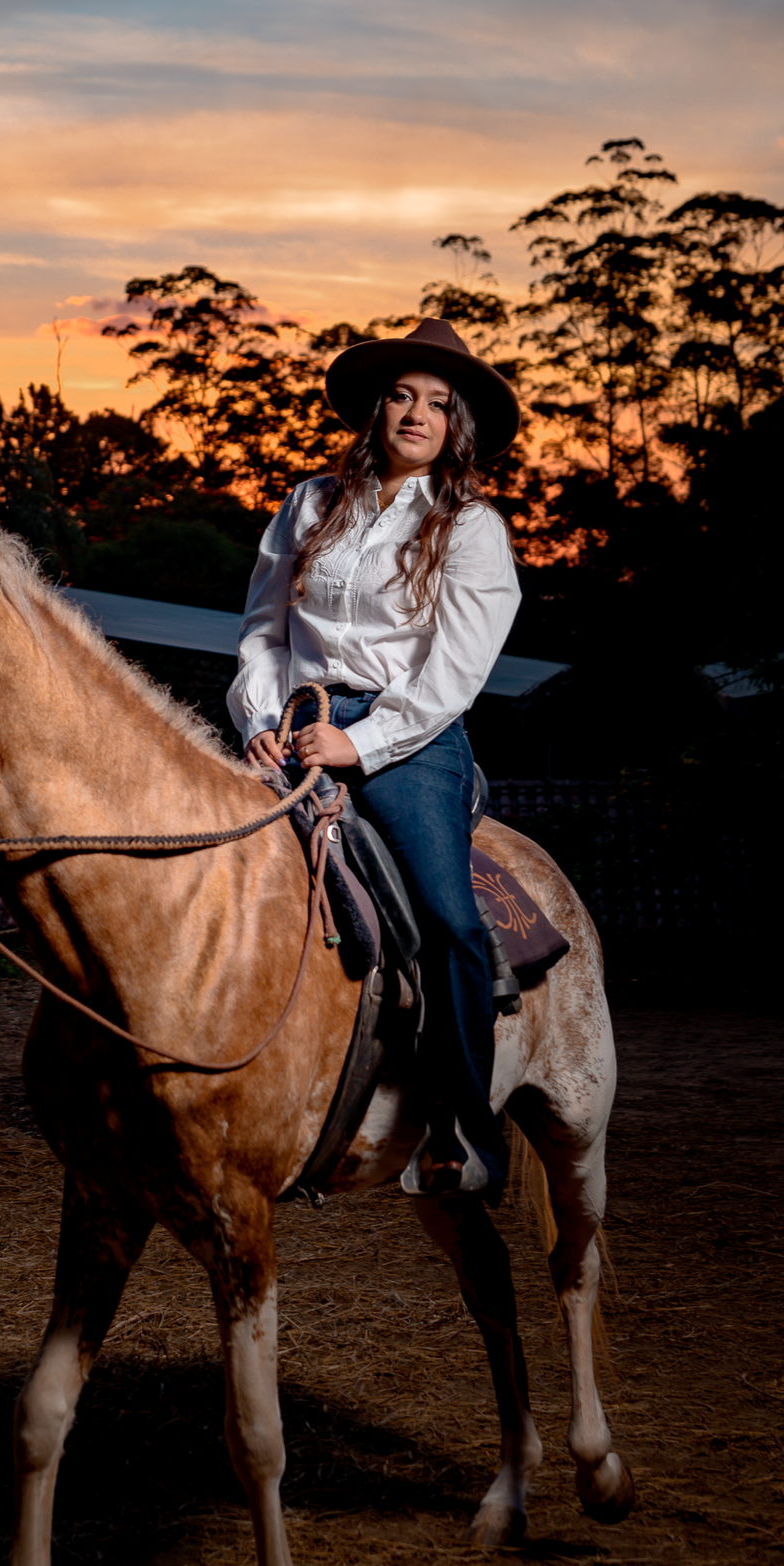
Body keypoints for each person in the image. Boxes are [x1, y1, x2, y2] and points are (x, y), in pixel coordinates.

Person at [227, 318, 521, 1197]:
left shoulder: (470, 528)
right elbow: (261, 629)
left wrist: (359, 742)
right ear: (377, 408)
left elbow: (454, 676)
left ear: (456, 424)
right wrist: (259, 720)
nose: (417, 412)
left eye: (437, 401)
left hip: (409, 736)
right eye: (402, 394)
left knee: (445, 917)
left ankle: (467, 1132)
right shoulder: (309, 502)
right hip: (295, 717)